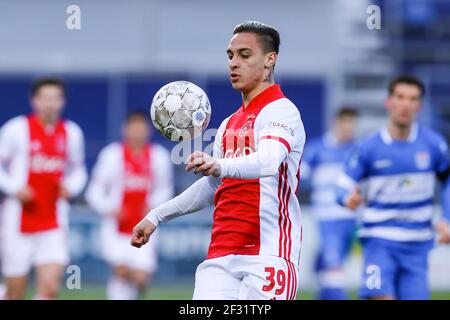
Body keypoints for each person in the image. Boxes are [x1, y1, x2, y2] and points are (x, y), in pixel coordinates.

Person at [131, 21, 305, 300]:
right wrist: (156, 216)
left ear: (269, 60)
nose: (234, 64)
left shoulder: (282, 111)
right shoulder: (228, 124)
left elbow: (269, 162)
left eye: (245, 55)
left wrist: (219, 165)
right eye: (230, 56)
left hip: (267, 255)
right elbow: (214, 186)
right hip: (220, 256)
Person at [336, 75, 450, 300]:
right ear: (389, 101)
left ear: (420, 105)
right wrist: (346, 198)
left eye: (412, 99)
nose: (406, 104)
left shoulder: (433, 144)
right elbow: (342, 186)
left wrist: (446, 218)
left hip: (418, 245)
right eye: (400, 97)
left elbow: (447, 180)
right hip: (379, 241)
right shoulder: (368, 148)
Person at [0, 78, 87, 299]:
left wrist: (71, 186)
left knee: (49, 289)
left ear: (63, 102)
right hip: (18, 220)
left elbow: (78, 171)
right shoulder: (16, 129)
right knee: (15, 291)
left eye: (55, 98)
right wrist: (14, 187)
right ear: (34, 101)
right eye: (45, 98)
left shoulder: (72, 133)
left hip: (54, 222)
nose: (50, 104)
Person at [86, 111, 173, 300]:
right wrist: (110, 208)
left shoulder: (159, 156)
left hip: (146, 228)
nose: (137, 133)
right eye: (133, 128)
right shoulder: (111, 155)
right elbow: (94, 192)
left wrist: (152, 205)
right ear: (125, 130)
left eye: (141, 128)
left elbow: (165, 190)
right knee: (122, 270)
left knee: (141, 279)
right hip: (115, 229)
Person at [302, 108, 358, 299]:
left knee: (334, 264)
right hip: (327, 217)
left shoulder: (356, 151)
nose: (349, 128)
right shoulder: (317, 149)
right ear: (336, 123)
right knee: (334, 267)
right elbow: (299, 178)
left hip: (351, 218)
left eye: (352, 124)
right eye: (345, 123)